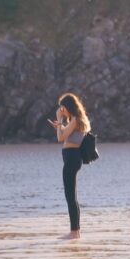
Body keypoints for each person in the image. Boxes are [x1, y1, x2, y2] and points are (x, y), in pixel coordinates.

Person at [48, 92, 91, 240]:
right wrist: (60, 125)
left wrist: (60, 121)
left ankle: (74, 233)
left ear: (68, 107)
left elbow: (61, 138)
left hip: (72, 158)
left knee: (70, 196)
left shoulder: (75, 120)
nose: (62, 111)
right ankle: (76, 232)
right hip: (72, 158)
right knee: (72, 196)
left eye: (63, 108)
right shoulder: (74, 120)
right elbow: (65, 135)